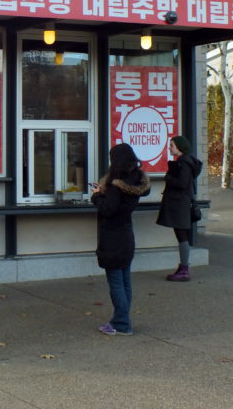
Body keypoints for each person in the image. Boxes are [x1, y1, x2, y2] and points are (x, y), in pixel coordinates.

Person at [89, 143, 150, 336]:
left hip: (113, 238)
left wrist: (97, 196)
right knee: (125, 282)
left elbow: (108, 209)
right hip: (126, 235)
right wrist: (105, 193)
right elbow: (120, 204)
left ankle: (122, 323)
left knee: (116, 283)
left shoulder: (116, 186)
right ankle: (122, 320)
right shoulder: (135, 181)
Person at [157, 135, 204, 282]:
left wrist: (168, 178)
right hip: (181, 203)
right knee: (181, 235)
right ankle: (183, 267)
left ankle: (184, 269)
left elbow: (182, 183)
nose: (170, 148)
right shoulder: (186, 162)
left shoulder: (184, 163)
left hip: (180, 204)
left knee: (181, 235)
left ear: (179, 147)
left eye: (172, 145)